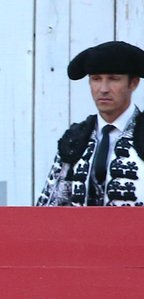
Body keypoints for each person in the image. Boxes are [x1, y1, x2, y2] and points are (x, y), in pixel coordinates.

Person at [37, 41, 144, 206]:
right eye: (96, 79)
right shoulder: (75, 139)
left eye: (113, 79)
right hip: (80, 232)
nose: (103, 89)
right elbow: (50, 206)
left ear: (133, 83)